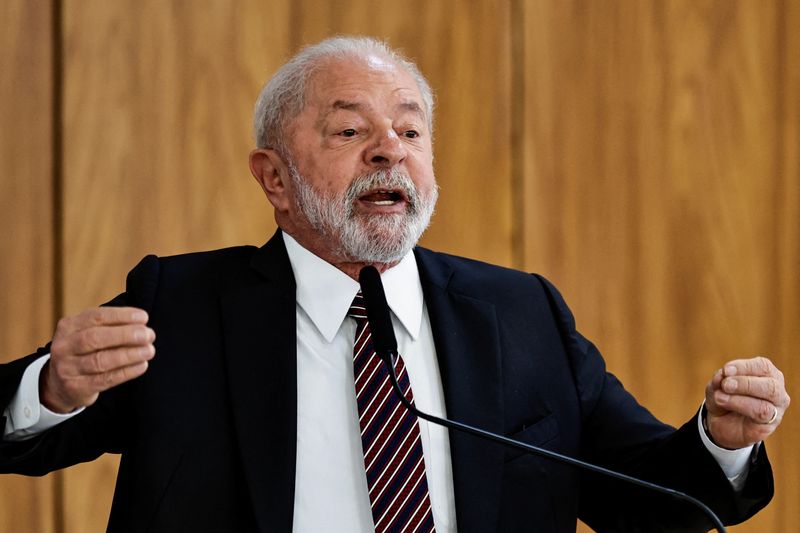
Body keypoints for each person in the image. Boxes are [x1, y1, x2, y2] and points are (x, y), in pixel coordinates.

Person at [0, 36, 790, 533]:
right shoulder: (181, 307)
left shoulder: (521, 314)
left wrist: (722, 438)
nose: (390, 151)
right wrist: (52, 386)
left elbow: (653, 498)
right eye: (350, 130)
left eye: (411, 131)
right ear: (273, 179)